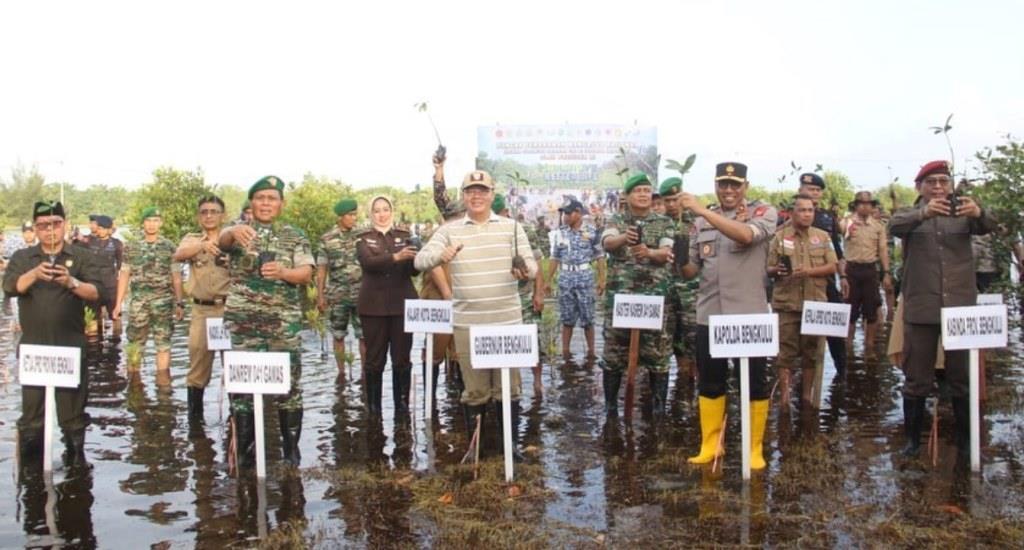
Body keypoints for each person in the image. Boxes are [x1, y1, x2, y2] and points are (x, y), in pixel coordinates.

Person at [414, 170, 537, 459]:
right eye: (471, 191)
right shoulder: (449, 230)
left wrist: (525, 272)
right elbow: (420, 260)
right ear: (463, 196)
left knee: (509, 388)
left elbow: (531, 265)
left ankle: (511, 447)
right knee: (475, 390)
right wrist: (440, 256)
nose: (476, 196)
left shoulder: (511, 228)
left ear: (492, 194)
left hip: (507, 320)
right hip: (468, 323)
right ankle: (476, 448)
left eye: (482, 190)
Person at [889, 160, 995, 460]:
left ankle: (966, 442)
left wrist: (980, 212)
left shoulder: (963, 211)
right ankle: (911, 443)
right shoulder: (908, 214)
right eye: (931, 182)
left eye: (943, 182)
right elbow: (894, 227)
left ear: (951, 185)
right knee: (916, 379)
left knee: (961, 379)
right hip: (922, 306)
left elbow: (992, 225)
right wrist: (923, 213)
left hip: (960, 309)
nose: (938, 187)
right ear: (919, 187)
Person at [679, 162, 778, 470]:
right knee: (710, 382)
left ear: (745, 187)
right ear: (716, 186)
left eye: (735, 185)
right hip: (711, 314)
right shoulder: (700, 222)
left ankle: (754, 448)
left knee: (755, 383)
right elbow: (693, 269)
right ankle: (711, 444)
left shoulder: (763, 213)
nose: (729, 190)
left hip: (748, 317)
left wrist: (703, 211)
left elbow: (746, 237)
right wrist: (680, 257)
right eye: (723, 184)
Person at [219, 176, 315, 467]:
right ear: (251, 202)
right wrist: (232, 230)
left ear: (281, 204)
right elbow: (222, 243)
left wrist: (284, 273)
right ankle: (245, 451)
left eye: (271, 199)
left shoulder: (294, 235)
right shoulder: (240, 232)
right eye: (260, 198)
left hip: (282, 324)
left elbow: (306, 273)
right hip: (245, 324)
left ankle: (291, 451)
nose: (265, 203)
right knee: (242, 388)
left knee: (290, 387)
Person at [3, 201, 103, 467]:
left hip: (69, 346)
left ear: (65, 225)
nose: (50, 231)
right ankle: (31, 476)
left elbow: (96, 292)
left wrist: (71, 282)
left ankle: (75, 470)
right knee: (32, 416)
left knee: (72, 415)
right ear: (35, 228)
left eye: (56, 224)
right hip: (34, 349)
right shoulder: (22, 258)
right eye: (43, 225)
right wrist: (35, 274)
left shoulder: (81, 256)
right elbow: (12, 286)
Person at [600, 173, 676, 417]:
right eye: (637, 190)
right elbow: (607, 242)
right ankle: (611, 408)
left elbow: (666, 252)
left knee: (657, 354)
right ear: (627, 196)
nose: (643, 194)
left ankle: (658, 409)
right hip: (621, 302)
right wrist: (625, 238)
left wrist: (649, 253)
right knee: (614, 355)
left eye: (646, 190)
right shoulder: (617, 219)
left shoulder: (664, 222)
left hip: (653, 300)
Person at [768, 195, 837, 406]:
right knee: (785, 352)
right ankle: (786, 399)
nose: (807, 214)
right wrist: (776, 270)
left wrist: (809, 272)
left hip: (814, 302)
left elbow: (833, 266)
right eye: (802, 210)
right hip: (786, 303)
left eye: (810, 210)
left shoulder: (823, 237)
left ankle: (807, 396)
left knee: (811, 352)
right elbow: (768, 268)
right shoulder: (778, 237)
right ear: (792, 213)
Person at [355, 195, 420, 417]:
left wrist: (417, 257)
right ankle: (374, 408)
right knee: (374, 360)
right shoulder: (363, 239)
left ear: (392, 211)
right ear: (371, 214)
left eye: (386, 209)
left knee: (402, 358)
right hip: (373, 307)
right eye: (377, 210)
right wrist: (395, 257)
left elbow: (414, 271)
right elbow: (368, 263)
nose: (382, 214)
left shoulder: (404, 236)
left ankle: (402, 407)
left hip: (402, 306)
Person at [173, 196, 231, 427]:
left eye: (214, 211)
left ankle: (237, 420)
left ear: (222, 215)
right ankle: (195, 423)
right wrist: (202, 246)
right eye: (204, 212)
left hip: (228, 310)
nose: (209, 216)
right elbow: (178, 255)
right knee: (197, 366)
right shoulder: (192, 239)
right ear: (199, 216)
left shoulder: (231, 238)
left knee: (234, 364)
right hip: (201, 311)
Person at [114, 207, 182, 385]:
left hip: (163, 302)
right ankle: (134, 385)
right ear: (143, 223)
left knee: (163, 345)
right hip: (139, 303)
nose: (152, 224)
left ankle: (163, 387)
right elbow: (124, 275)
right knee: (135, 344)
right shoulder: (132, 247)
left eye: (155, 220)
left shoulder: (169, 247)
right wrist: (118, 304)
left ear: (161, 223)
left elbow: (176, 276)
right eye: (148, 220)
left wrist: (180, 302)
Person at [493, 193, 546, 395]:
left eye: (499, 214)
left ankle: (538, 382)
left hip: (523, 296)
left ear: (506, 212)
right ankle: (510, 386)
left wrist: (538, 293)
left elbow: (538, 264)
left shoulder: (523, 231)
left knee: (532, 340)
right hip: (498, 298)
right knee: (504, 343)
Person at [797, 173, 848, 373]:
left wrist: (843, 277)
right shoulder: (788, 215)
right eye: (810, 189)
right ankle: (802, 380)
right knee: (799, 336)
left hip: (826, 282)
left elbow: (838, 252)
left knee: (835, 332)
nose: (814, 193)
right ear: (800, 189)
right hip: (798, 284)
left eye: (818, 190)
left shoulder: (827, 218)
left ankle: (841, 374)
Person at [547, 197, 602, 361]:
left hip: (585, 279)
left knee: (588, 318)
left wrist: (602, 280)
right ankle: (565, 352)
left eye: (568, 213)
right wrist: (548, 280)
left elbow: (600, 256)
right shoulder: (561, 233)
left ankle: (591, 352)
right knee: (567, 318)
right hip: (565, 279)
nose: (565, 217)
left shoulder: (591, 232)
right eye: (564, 213)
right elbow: (554, 258)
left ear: (578, 213)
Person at [840, 191, 890, 361]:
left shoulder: (878, 226)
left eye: (868, 203)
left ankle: (869, 346)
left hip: (870, 269)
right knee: (850, 309)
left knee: (872, 310)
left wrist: (886, 272)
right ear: (855, 205)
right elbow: (841, 229)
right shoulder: (847, 223)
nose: (865, 206)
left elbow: (882, 249)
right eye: (861, 203)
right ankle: (848, 345)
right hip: (851, 269)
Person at [317, 198, 365, 372]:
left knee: (364, 335)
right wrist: (320, 296)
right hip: (338, 294)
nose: (353, 218)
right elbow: (322, 270)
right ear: (340, 217)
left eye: (355, 214)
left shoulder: (362, 235)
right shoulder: (327, 239)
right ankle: (341, 372)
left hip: (361, 293)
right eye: (350, 215)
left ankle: (365, 373)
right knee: (338, 335)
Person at [660, 177, 699, 379]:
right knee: (670, 338)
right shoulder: (659, 223)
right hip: (667, 289)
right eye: (667, 201)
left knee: (694, 337)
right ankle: (683, 380)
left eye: (675, 199)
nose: (672, 205)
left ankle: (697, 386)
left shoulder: (697, 221)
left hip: (691, 290)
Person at [79, 214, 124, 341]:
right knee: (92, 317)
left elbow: (122, 266)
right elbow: (74, 248)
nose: (101, 231)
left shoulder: (117, 244)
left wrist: (121, 285)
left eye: (104, 228)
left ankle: (117, 341)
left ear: (110, 229)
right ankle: (94, 346)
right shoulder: (88, 241)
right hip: (93, 284)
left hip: (111, 285)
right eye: (99, 227)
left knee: (115, 316)